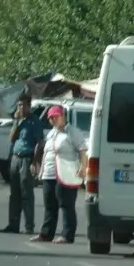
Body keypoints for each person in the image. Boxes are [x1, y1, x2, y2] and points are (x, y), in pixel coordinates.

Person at [31, 105, 88, 245]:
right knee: (50, 204)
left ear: (63, 116)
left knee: (66, 204)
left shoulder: (72, 132)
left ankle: (67, 235)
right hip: (49, 173)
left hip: (66, 173)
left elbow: (82, 151)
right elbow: (45, 152)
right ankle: (46, 233)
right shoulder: (51, 133)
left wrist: (83, 168)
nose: (54, 119)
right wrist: (40, 169)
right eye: (51, 118)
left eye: (57, 116)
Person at [0, 94, 41, 235]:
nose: (21, 108)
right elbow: (11, 138)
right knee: (14, 193)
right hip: (15, 157)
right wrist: (17, 121)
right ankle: (13, 224)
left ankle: (29, 226)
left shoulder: (34, 121)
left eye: (23, 105)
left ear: (29, 106)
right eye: (19, 105)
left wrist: (35, 162)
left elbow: (39, 144)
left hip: (27, 158)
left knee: (26, 193)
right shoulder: (18, 121)